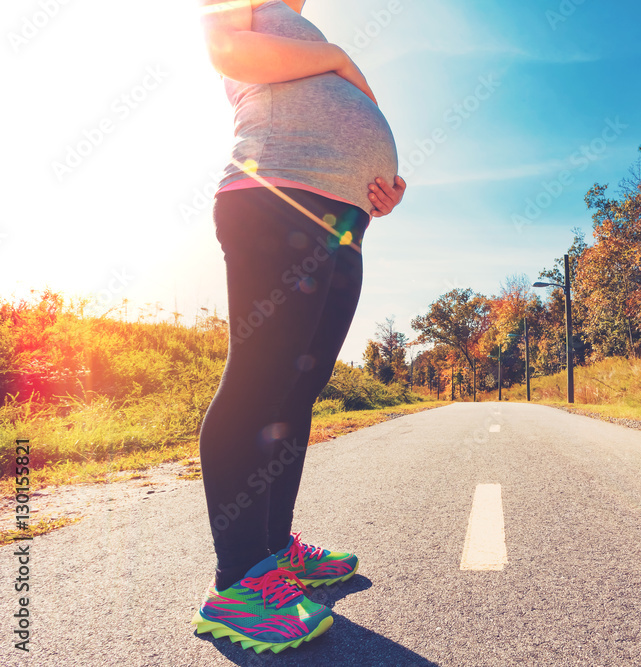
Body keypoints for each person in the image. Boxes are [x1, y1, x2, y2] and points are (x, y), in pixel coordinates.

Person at [192, 0, 405, 654]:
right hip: (275, 195)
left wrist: (383, 181)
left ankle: (275, 550)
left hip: (343, 222)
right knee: (258, 385)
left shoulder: (301, 23)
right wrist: (340, 60)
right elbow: (226, 50)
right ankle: (237, 584)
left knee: (296, 394)